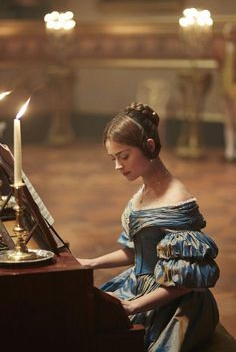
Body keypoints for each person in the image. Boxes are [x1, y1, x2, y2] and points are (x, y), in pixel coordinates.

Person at [77, 102, 220, 352]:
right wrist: (91, 262)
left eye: (124, 156)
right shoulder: (143, 192)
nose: (118, 166)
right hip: (141, 284)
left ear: (149, 146)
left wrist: (134, 306)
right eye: (113, 158)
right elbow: (137, 252)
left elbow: (185, 283)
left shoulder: (175, 202)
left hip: (175, 304)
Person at [215, 23, 236, 162]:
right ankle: (230, 151)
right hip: (226, 87)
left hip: (234, 87)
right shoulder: (222, 48)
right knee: (228, 121)